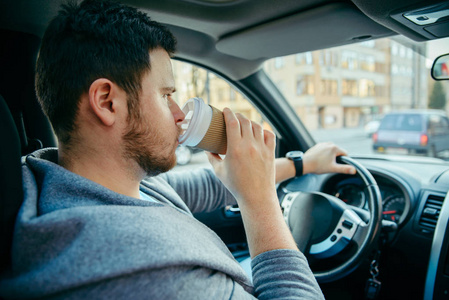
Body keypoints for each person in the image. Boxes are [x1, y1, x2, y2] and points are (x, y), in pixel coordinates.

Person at [0, 0, 356, 299]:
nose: (178, 113)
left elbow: (206, 184)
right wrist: (261, 202)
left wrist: (302, 163)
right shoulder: (141, 269)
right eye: (166, 94)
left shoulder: (60, 179)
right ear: (108, 102)